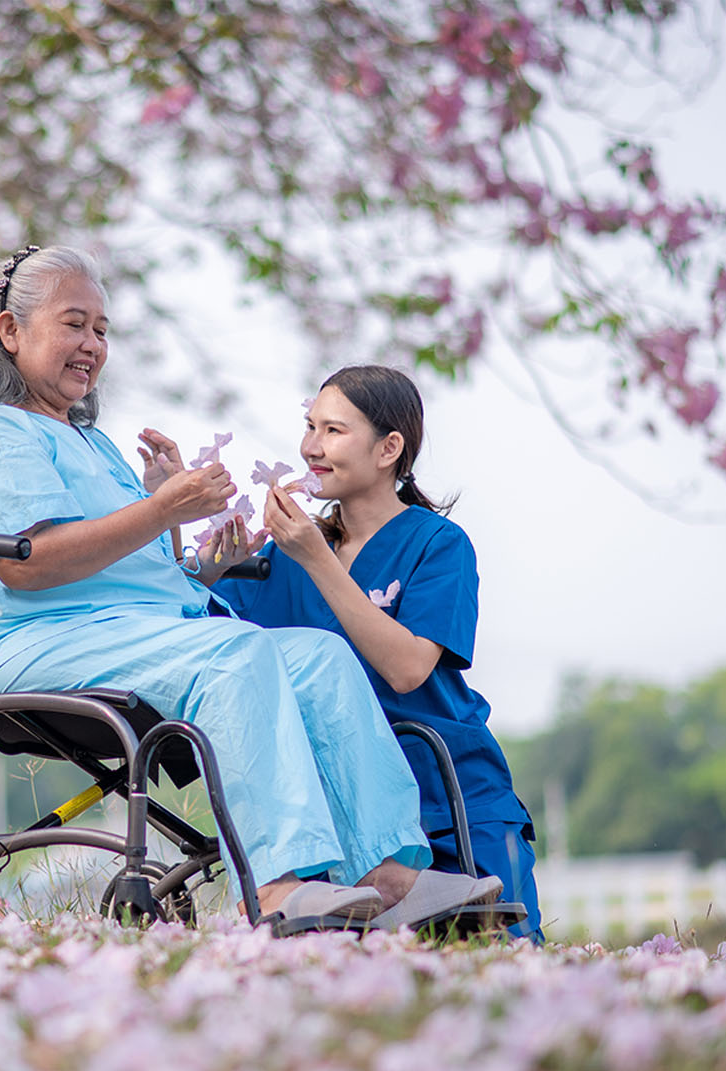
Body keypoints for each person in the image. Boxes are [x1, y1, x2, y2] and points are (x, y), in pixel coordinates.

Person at [0, 245, 499, 926]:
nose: (92, 345)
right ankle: (276, 887)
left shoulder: (93, 444)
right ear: (10, 332)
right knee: (237, 650)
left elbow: (134, 575)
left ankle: (388, 874)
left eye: (103, 330)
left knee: (319, 656)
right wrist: (165, 508)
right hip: (35, 640)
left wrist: (194, 556)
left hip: (128, 636)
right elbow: (28, 561)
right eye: (74, 324)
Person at [211, 365, 542, 937]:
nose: (311, 446)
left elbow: (409, 668)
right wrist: (193, 550)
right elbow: (210, 648)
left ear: (390, 448)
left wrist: (318, 559)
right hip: (345, 812)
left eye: (333, 431)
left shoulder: (438, 545)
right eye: (309, 426)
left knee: (500, 957)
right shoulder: (283, 555)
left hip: (448, 792)